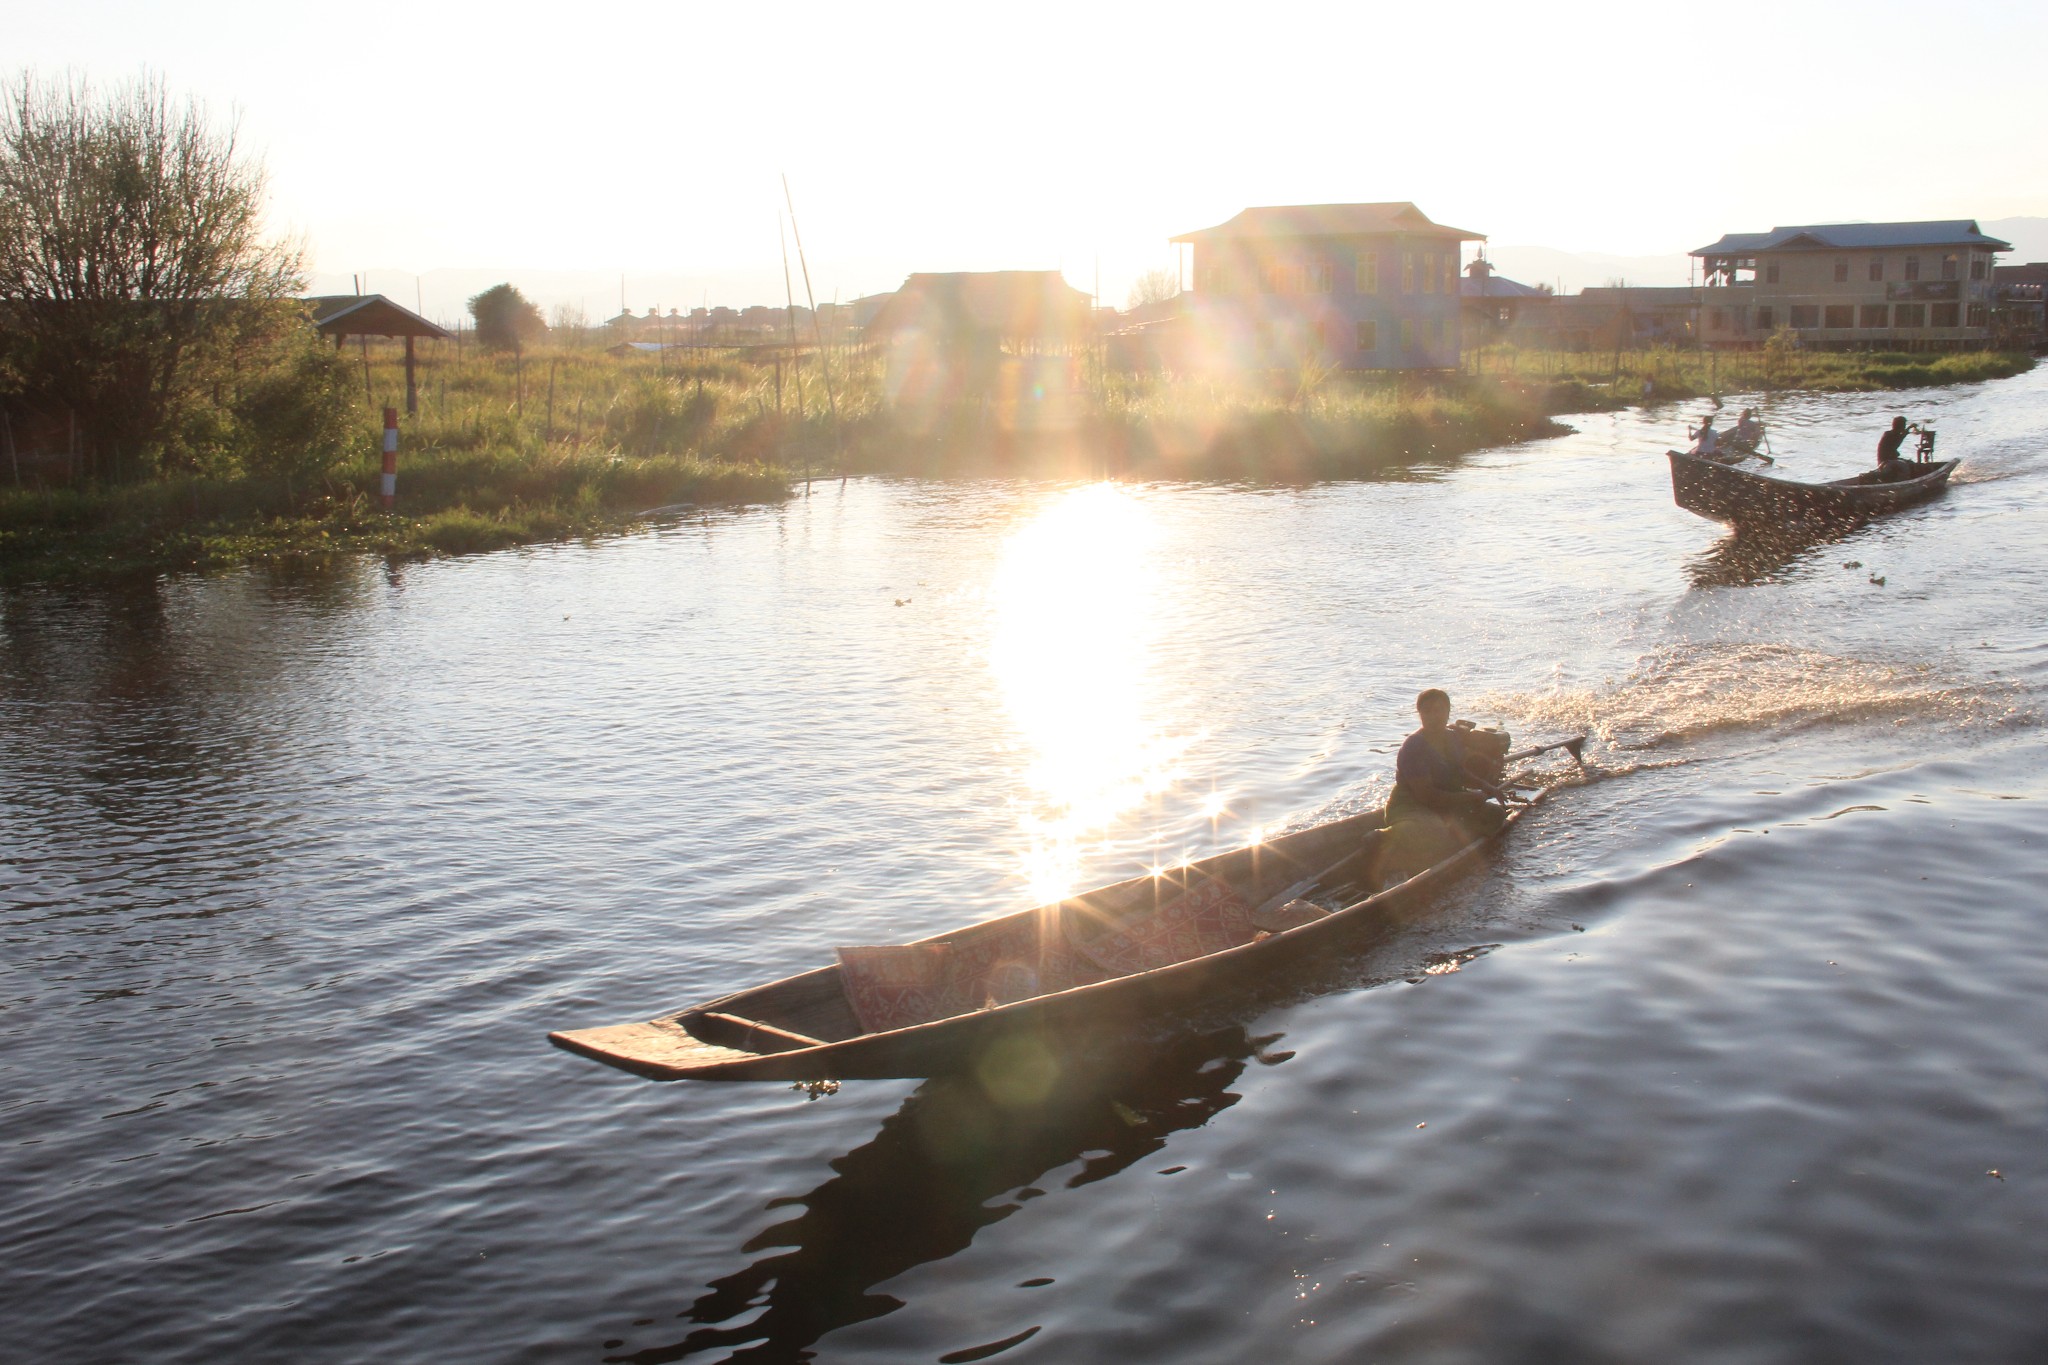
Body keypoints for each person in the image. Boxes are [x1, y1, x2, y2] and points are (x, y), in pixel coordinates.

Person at [1875, 416, 1914, 480]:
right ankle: (1903, 481)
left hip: (1889, 460)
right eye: (1903, 425)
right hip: (1885, 462)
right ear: (1899, 426)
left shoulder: (1892, 434)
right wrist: (1907, 430)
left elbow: (1899, 438)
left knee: (1910, 463)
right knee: (1905, 466)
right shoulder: (1889, 435)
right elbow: (1896, 443)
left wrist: (1907, 430)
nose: (1904, 427)